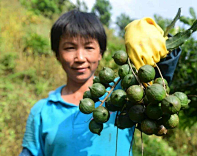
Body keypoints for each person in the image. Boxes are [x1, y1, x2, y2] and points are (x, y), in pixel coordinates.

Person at [19, 10, 181, 156]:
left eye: (89, 47)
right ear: (57, 54)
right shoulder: (42, 111)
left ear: (101, 53)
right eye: (70, 48)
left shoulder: (126, 92)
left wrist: (151, 39)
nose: (80, 58)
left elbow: (160, 74)